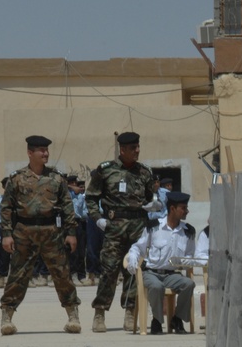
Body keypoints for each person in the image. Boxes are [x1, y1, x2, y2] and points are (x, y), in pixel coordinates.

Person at [0, 135, 81, 335]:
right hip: (24, 232)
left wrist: (71, 232)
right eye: (40, 150)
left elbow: (67, 206)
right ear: (30, 153)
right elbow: (6, 207)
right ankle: (7, 316)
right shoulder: (16, 178)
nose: (45, 153)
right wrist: (7, 234)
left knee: (62, 274)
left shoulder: (56, 178)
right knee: (18, 275)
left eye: (46, 150)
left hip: (51, 231)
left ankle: (73, 315)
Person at [86, 131, 155, 333]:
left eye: (138, 147)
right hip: (114, 227)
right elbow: (91, 198)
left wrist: (154, 206)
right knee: (109, 270)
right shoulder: (105, 170)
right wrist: (98, 219)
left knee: (134, 269)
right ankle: (99, 313)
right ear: (122, 150)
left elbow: (149, 198)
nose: (137, 151)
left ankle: (130, 312)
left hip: (138, 227)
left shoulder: (144, 172)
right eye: (133, 148)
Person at [124, 192, 207, 334]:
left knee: (189, 284)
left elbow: (189, 256)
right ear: (172, 209)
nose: (186, 211)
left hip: (172, 274)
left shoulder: (188, 232)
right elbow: (138, 247)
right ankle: (156, 320)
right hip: (152, 272)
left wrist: (182, 261)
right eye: (183, 207)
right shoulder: (154, 227)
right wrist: (133, 260)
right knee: (157, 286)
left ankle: (177, 318)